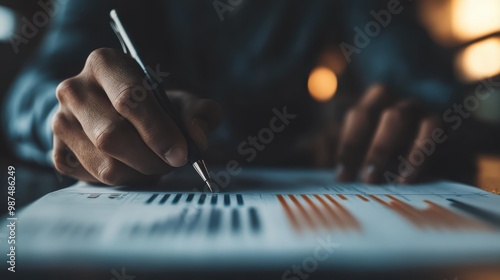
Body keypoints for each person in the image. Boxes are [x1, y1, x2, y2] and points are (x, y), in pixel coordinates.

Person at [2, 0, 460, 186]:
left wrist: (416, 108)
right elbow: (36, 89)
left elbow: (409, 70)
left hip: (301, 172)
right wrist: (67, 119)